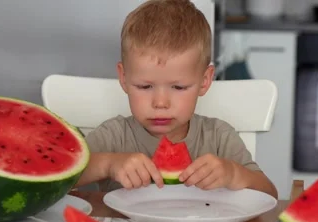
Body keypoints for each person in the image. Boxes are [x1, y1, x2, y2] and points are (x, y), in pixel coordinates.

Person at [75, 0, 278, 199]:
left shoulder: (218, 137)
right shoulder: (114, 135)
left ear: (205, 81)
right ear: (124, 78)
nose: (160, 103)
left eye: (178, 87)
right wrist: (108, 164)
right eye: (145, 87)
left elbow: (270, 193)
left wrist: (234, 173)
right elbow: (62, 180)